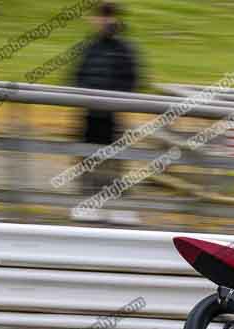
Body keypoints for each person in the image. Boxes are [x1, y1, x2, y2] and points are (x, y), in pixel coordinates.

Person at [72, 1, 140, 225]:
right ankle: (88, 205)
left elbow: (133, 79)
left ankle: (119, 208)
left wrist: (115, 101)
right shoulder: (89, 48)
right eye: (101, 16)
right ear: (94, 19)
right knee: (88, 160)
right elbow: (77, 76)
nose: (105, 20)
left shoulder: (125, 48)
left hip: (113, 115)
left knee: (115, 162)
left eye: (109, 15)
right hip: (90, 114)